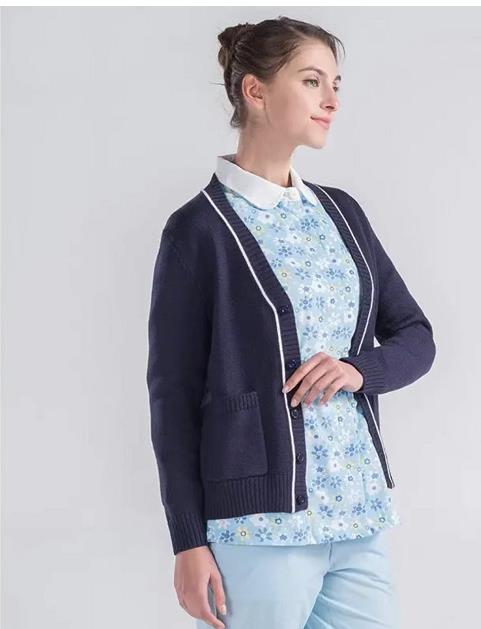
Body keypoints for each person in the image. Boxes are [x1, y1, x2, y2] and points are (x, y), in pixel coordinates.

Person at [146, 16, 436, 629]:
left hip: (358, 513)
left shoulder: (341, 213)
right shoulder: (198, 230)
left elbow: (417, 336)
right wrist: (187, 541)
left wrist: (359, 370)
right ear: (255, 91)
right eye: (311, 81)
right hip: (257, 527)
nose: (331, 100)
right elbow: (172, 397)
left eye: (335, 84)